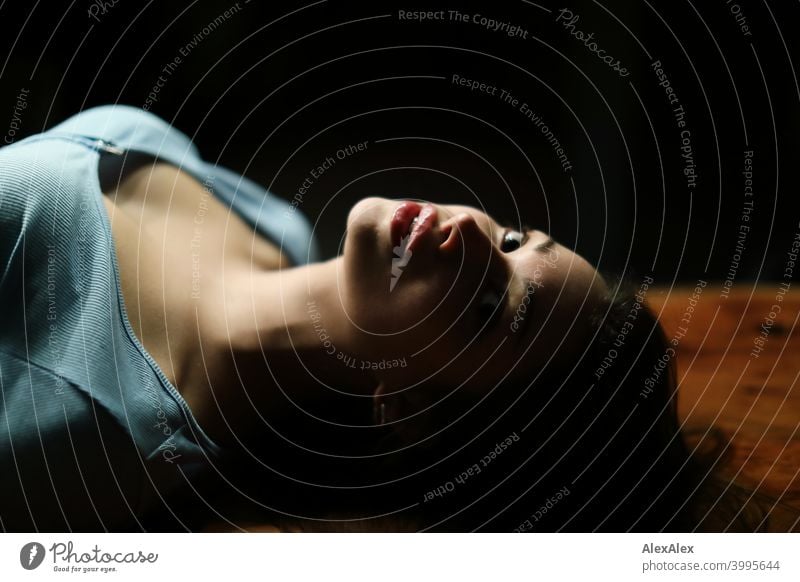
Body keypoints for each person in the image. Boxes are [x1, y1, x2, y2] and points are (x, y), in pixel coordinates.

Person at [0, 105, 721, 532]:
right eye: (512, 241)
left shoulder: (82, 425)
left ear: (411, 407)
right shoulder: (276, 229)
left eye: (486, 308)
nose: (468, 229)